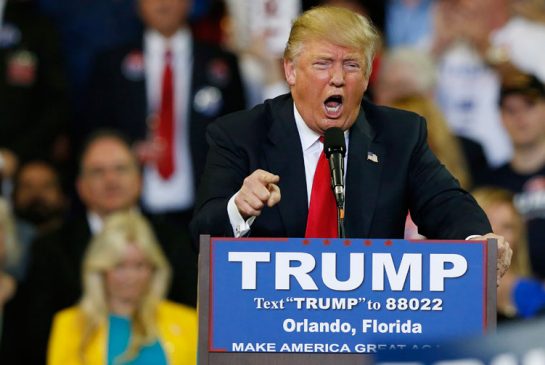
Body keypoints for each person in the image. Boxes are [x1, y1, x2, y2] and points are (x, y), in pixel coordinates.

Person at [190, 6, 511, 279]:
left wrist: (478, 239)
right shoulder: (240, 134)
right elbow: (202, 233)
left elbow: (445, 202)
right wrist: (239, 208)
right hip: (272, 323)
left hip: (365, 322)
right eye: (322, 63)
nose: (338, 78)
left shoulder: (398, 133)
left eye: (352, 65)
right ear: (290, 70)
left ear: (369, 76)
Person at [21, 130, 197, 365]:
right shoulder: (50, 247)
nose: (111, 180)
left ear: (139, 179)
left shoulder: (175, 241)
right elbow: (34, 336)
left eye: (120, 169)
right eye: (98, 171)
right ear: (80, 186)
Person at [84, 0, 246, 223]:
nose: (162, 2)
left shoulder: (222, 62)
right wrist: (127, 150)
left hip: (205, 208)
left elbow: (239, 138)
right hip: (130, 209)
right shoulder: (110, 64)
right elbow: (93, 132)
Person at [48, 210, 197, 365]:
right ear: (101, 269)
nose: (131, 276)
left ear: (153, 269)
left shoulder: (187, 321)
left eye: (139, 265)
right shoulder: (70, 325)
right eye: (120, 266)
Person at [486, 72, 545, 279]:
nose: (520, 118)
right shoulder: (489, 183)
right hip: (506, 298)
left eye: (529, 105)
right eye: (511, 110)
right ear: (500, 118)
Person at [472, 187, 545, 322]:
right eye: (488, 221)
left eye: (507, 226)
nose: (496, 232)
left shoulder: (531, 293)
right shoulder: (442, 290)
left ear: (518, 238)